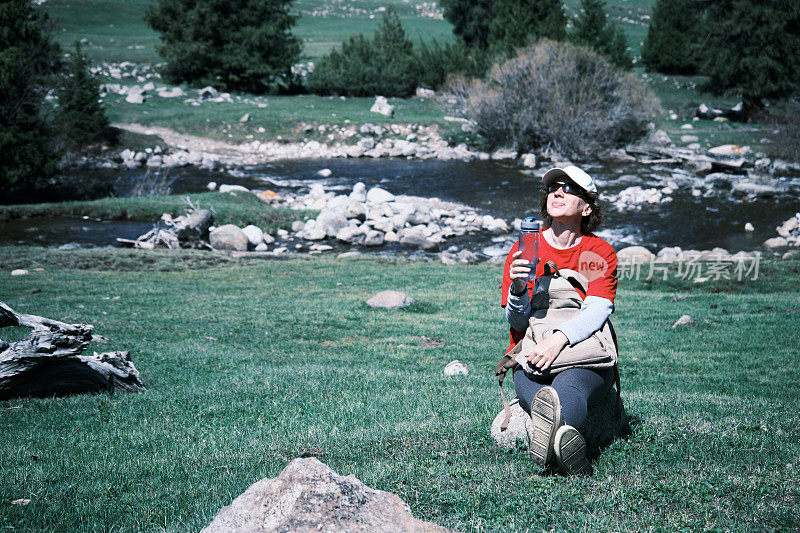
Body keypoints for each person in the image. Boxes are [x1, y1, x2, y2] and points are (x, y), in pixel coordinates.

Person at [501, 165, 618, 476]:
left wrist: (558, 339)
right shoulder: (524, 249)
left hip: (584, 356)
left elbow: (597, 310)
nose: (558, 191)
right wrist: (518, 290)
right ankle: (566, 450)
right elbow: (516, 321)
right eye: (553, 187)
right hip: (533, 355)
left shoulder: (597, 250)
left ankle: (549, 441)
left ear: (587, 206)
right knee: (542, 391)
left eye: (570, 188)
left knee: (569, 385)